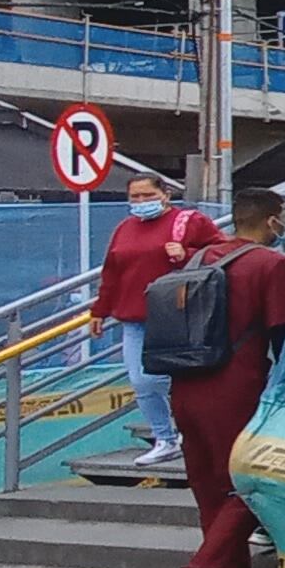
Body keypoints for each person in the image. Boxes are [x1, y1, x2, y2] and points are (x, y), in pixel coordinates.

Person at [152, 187, 285, 568]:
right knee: (253, 481)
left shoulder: (199, 259)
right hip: (236, 388)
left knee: (211, 489)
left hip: (184, 386)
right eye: (284, 215)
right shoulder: (272, 265)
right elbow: (282, 337)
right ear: (271, 219)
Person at [90, 170, 219, 467]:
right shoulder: (124, 228)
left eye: (148, 195)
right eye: (134, 197)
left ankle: (192, 432)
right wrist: (99, 310)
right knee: (142, 380)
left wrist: (186, 253)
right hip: (134, 317)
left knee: (180, 379)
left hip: (179, 315)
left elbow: (220, 252)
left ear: (165, 195)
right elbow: (112, 272)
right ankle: (165, 438)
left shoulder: (190, 221)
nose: (141, 201)